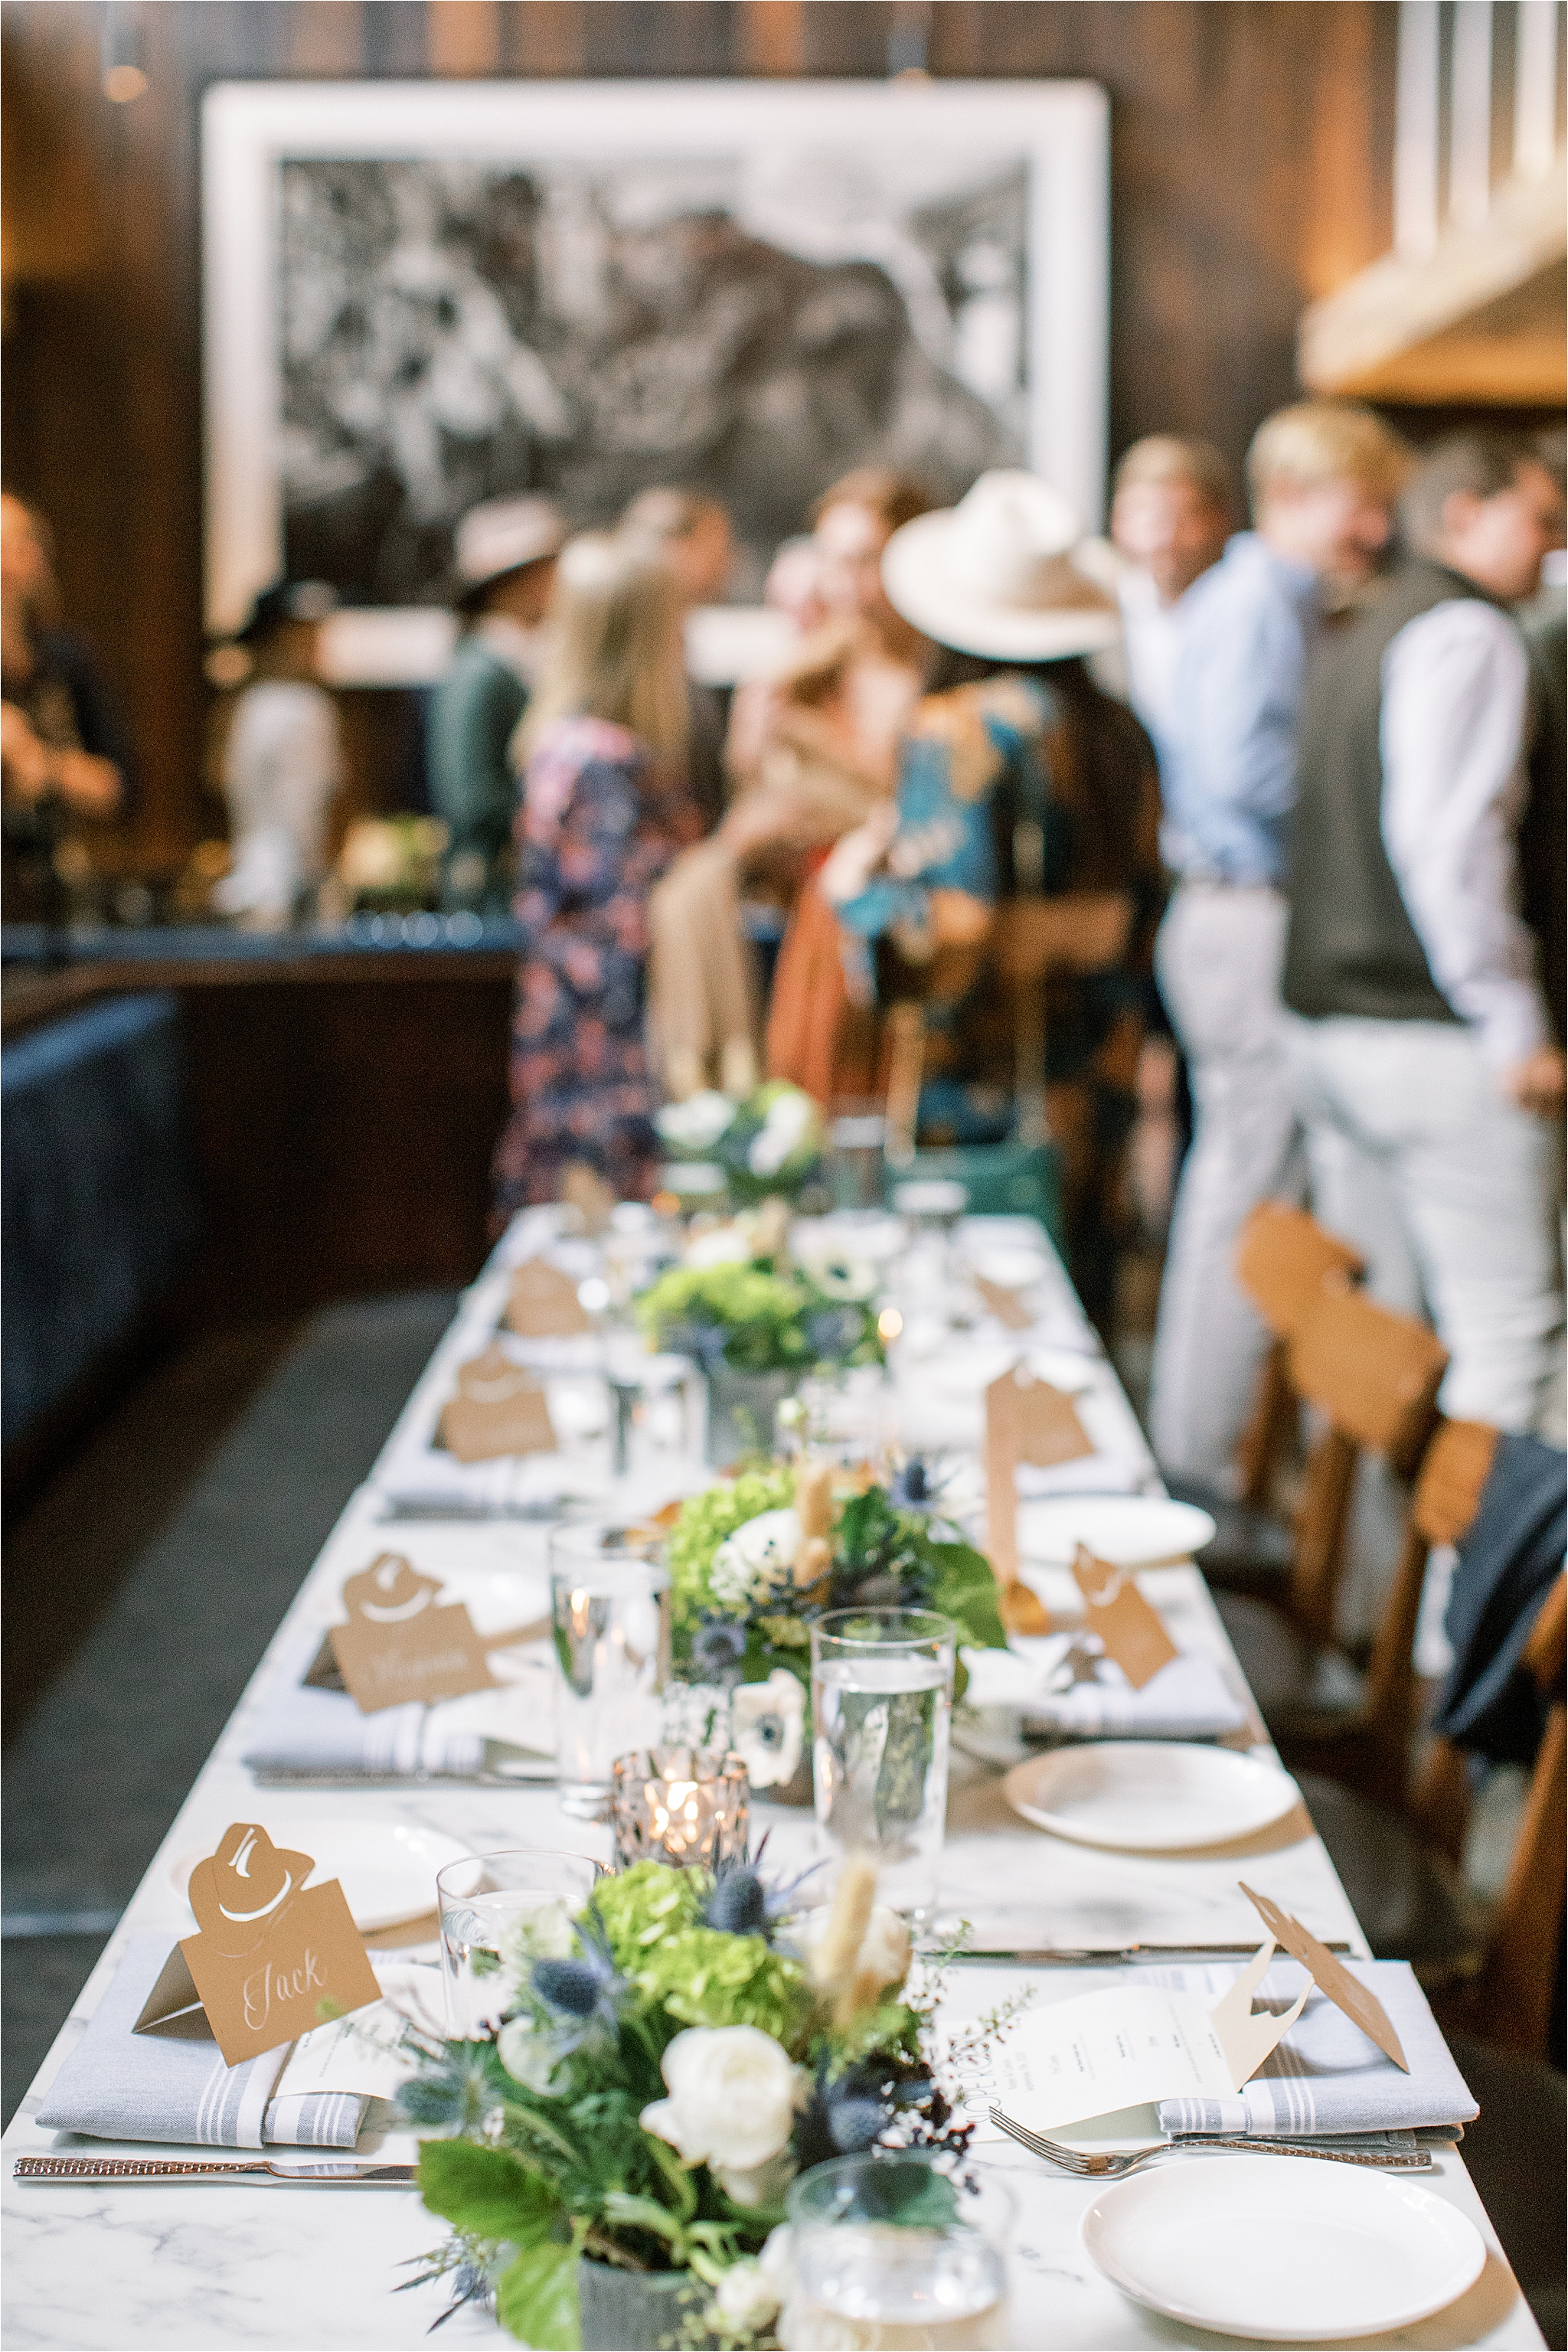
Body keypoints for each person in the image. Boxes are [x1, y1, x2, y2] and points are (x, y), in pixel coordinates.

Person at [822, 469, 1165, 1325]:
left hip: (985, 1084)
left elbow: (948, 934)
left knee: (979, 1324)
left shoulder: (961, 726)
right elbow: (1143, 903)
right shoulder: (1115, 729)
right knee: (1075, 1317)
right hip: (1095, 1068)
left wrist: (854, 895)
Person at [1143, 401, 1410, 1494]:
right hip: (1244, 911)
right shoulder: (1262, 600)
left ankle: (1227, 1451)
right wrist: (1354, 836)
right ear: (1296, 493)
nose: (1381, 529)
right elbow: (1243, 772)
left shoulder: (1267, 598)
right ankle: (1199, 1459)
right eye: (1366, 503)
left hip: (1229, 910)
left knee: (1251, 1182)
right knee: (1248, 1186)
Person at [1282, 432, 1567, 1439]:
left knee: (1385, 1352)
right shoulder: (1470, 632)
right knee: (1512, 1344)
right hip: (1434, 1037)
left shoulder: (1363, 625)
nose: (1553, 540)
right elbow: (1451, 846)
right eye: (1539, 517)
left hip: (1332, 1025)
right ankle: (1469, 1603)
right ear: (1464, 514)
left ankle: (1374, 1591)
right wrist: (1513, 1020)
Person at [492, 532, 704, 1216]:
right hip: (605, 1058)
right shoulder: (603, 762)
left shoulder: (561, 745)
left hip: (563, 1035)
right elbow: (620, 941)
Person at [428, 496, 567, 912]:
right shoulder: (480, 672)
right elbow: (470, 799)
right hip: (491, 892)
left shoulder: (519, 661)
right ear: (517, 581)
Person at [1, 492, 132, 920]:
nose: (34, 557)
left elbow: (122, 786)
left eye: (31, 545)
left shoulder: (65, 660)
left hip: (57, 902)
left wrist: (45, 766)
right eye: (20, 545)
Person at [214, 581, 345, 929]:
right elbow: (304, 815)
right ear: (284, 639)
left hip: (252, 885)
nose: (319, 646)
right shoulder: (303, 707)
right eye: (309, 635)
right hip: (291, 895)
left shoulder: (249, 705)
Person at [619, 487, 735, 834]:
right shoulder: (637, 651)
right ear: (676, 549)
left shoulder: (674, 637)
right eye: (714, 548)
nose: (726, 562)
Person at [1108, 434, 1232, 747]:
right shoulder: (1101, 610)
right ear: (1117, 520)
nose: (1165, 537)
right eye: (1147, 518)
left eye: (1184, 517)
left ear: (1220, 521)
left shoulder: (1241, 609)